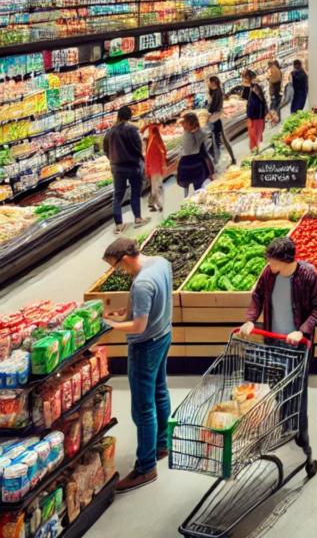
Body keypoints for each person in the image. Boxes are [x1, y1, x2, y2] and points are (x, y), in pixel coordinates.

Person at [240, 237, 317, 455]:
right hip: (273, 341)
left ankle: (301, 433)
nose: (269, 265)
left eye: (273, 261)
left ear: (286, 260)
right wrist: (250, 319)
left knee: (298, 390)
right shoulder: (269, 274)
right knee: (278, 384)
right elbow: (257, 297)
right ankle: (285, 424)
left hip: (297, 346)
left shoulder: (308, 275)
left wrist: (302, 330)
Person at [100, 238, 172, 492]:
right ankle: (162, 445)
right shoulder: (161, 263)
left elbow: (139, 326)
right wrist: (122, 313)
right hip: (164, 334)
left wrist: (113, 325)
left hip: (145, 345)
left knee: (143, 408)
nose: (119, 271)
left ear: (126, 258)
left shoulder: (141, 283)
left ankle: (145, 468)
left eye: (117, 266)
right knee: (160, 391)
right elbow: (151, 307)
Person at [103, 106, 150, 234]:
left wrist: (112, 159)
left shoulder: (110, 131)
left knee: (118, 195)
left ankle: (119, 224)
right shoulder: (133, 130)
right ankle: (138, 218)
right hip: (132, 166)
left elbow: (105, 148)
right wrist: (139, 160)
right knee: (135, 192)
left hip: (116, 167)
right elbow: (138, 147)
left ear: (118, 116)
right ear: (130, 117)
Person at [178, 112, 213, 197]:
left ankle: (195, 199)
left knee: (194, 187)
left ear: (188, 123)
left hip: (190, 163)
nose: (182, 124)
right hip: (197, 163)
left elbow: (187, 152)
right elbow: (204, 151)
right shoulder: (200, 132)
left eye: (184, 122)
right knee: (198, 185)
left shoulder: (189, 135)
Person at [139, 121, 166, 213]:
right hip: (155, 163)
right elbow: (161, 149)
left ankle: (152, 202)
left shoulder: (149, 134)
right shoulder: (153, 134)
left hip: (152, 163)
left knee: (155, 184)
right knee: (157, 184)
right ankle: (159, 204)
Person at [207, 76, 235, 164]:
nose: (209, 84)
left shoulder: (217, 92)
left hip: (218, 118)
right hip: (218, 117)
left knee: (221, 140)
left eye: (210, 83)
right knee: (222, 140)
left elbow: (214, 106)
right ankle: (231, 158)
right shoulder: (217, 91)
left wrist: (208, 111)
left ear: (213, 83)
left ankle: (227, 159)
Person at [244, 70, 268, 151]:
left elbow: (254, 105)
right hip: (257, 117)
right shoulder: (255, 88)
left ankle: (256, 154)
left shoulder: (254, 90)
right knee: (256, 137)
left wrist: (250, 117)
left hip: (255, 117)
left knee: (255, 138)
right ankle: (256, 151)